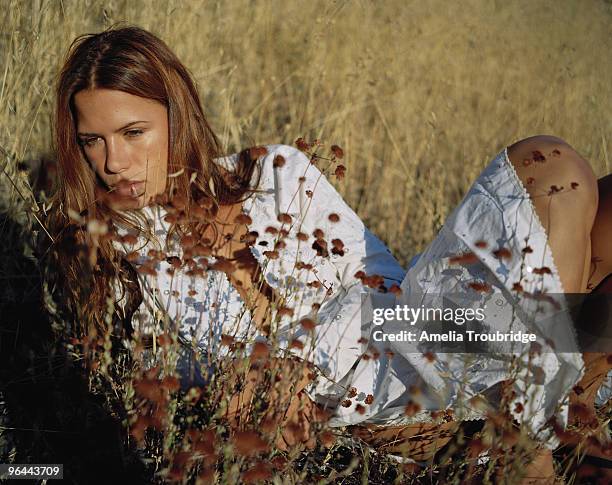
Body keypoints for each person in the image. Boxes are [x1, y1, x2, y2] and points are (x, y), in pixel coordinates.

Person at [41, 24, 611, 480]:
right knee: (551, 168)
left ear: (177, 115)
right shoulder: (116, 257)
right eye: (93, 140)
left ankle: (542, 430)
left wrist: (465, 326)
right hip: (354, 404)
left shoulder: (273, 170)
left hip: (409, 328)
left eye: (133, 132)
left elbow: (384, 278)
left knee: (584, 191)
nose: (113, 162)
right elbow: (186, 388)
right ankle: (534, 442)